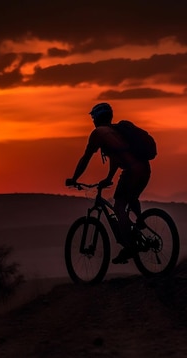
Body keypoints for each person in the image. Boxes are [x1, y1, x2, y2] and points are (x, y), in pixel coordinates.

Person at [65, 103, 151, 264]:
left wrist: (74, 178)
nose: (92, 121)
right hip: (145, 169)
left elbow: (86, 158)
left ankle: (130, 247)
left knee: (118, 207)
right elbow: (117, 157)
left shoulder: (98, 133)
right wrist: (109, 178)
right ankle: (140, 223)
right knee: (130, 198)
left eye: (93, 118)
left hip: (132, 171)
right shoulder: (115, 131)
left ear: (96, 118)